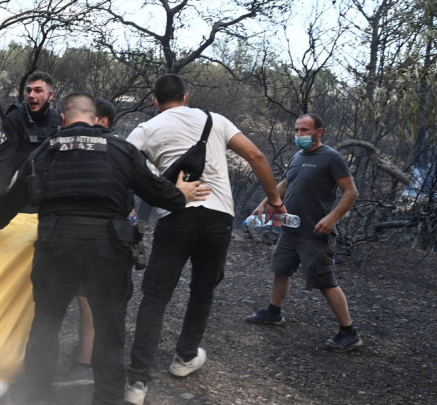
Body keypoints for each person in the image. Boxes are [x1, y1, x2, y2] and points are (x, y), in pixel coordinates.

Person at [0, 92, 211, 405]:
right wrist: (179, 194)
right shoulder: (120, 148)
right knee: (109, 329)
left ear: (62, 118)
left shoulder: (46, 149)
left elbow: (13, 195)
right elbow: (157, 191)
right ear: (97, 118)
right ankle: (108, 399)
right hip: (108, 250)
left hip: (56, 247)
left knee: (45, 324)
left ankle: (35, 396)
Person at [124, 74, 284, 405]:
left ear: (154, 101)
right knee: (202, 289)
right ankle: (184, 357)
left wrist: (152, 195)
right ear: (186, 96)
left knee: (155, 297)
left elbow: (124, 167)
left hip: (176, 216)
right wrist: (275, 200)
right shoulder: (215, 120)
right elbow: (255, 156)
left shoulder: (146, 129)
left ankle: (137, 383)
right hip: (218, 219)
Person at [245, 112, 361, 352]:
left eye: (305, 131)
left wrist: (332, 218)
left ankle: (349, 332)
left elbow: (351, 192)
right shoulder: (298, 156)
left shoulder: (331, 158)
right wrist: (267, 202)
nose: (299, 135)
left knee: (325, 281)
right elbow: (286, 183)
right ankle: (274, 313)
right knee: (280, 269)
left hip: (315, 232)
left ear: (318, 133)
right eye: (297, 130)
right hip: (291, 227)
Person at [72, 98, 117, 370]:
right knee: (88, 298)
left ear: (101, 121)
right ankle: (86, 358)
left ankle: (85, 357)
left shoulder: (72, 148)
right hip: (105, 237)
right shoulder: (123, 150)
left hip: (84, 235)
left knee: (82, 299)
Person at [0, 71, 61, 203]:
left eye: (38, 91)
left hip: (47, 194)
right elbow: (4, 163)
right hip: (17, 192)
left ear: (51, 95)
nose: (31, 95)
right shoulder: (15, 117)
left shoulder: (58, 120)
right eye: (29, 91)